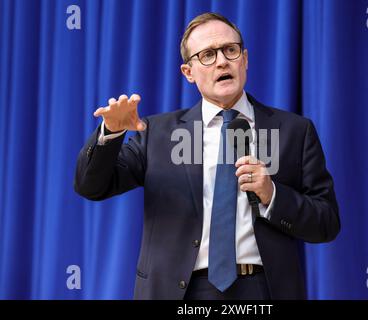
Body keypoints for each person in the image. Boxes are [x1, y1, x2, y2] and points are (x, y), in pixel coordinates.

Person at [74, 12, 340, 300]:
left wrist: (271, 194)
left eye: (230, 50)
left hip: (262, 290)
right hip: (179, 291)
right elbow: (92, 186)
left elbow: (326, 222)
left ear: (245, 59)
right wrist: (111, 132)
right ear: (188, 72)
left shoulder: (294, 131)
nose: (222, 61)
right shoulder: (158, 133)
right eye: (208, 55)